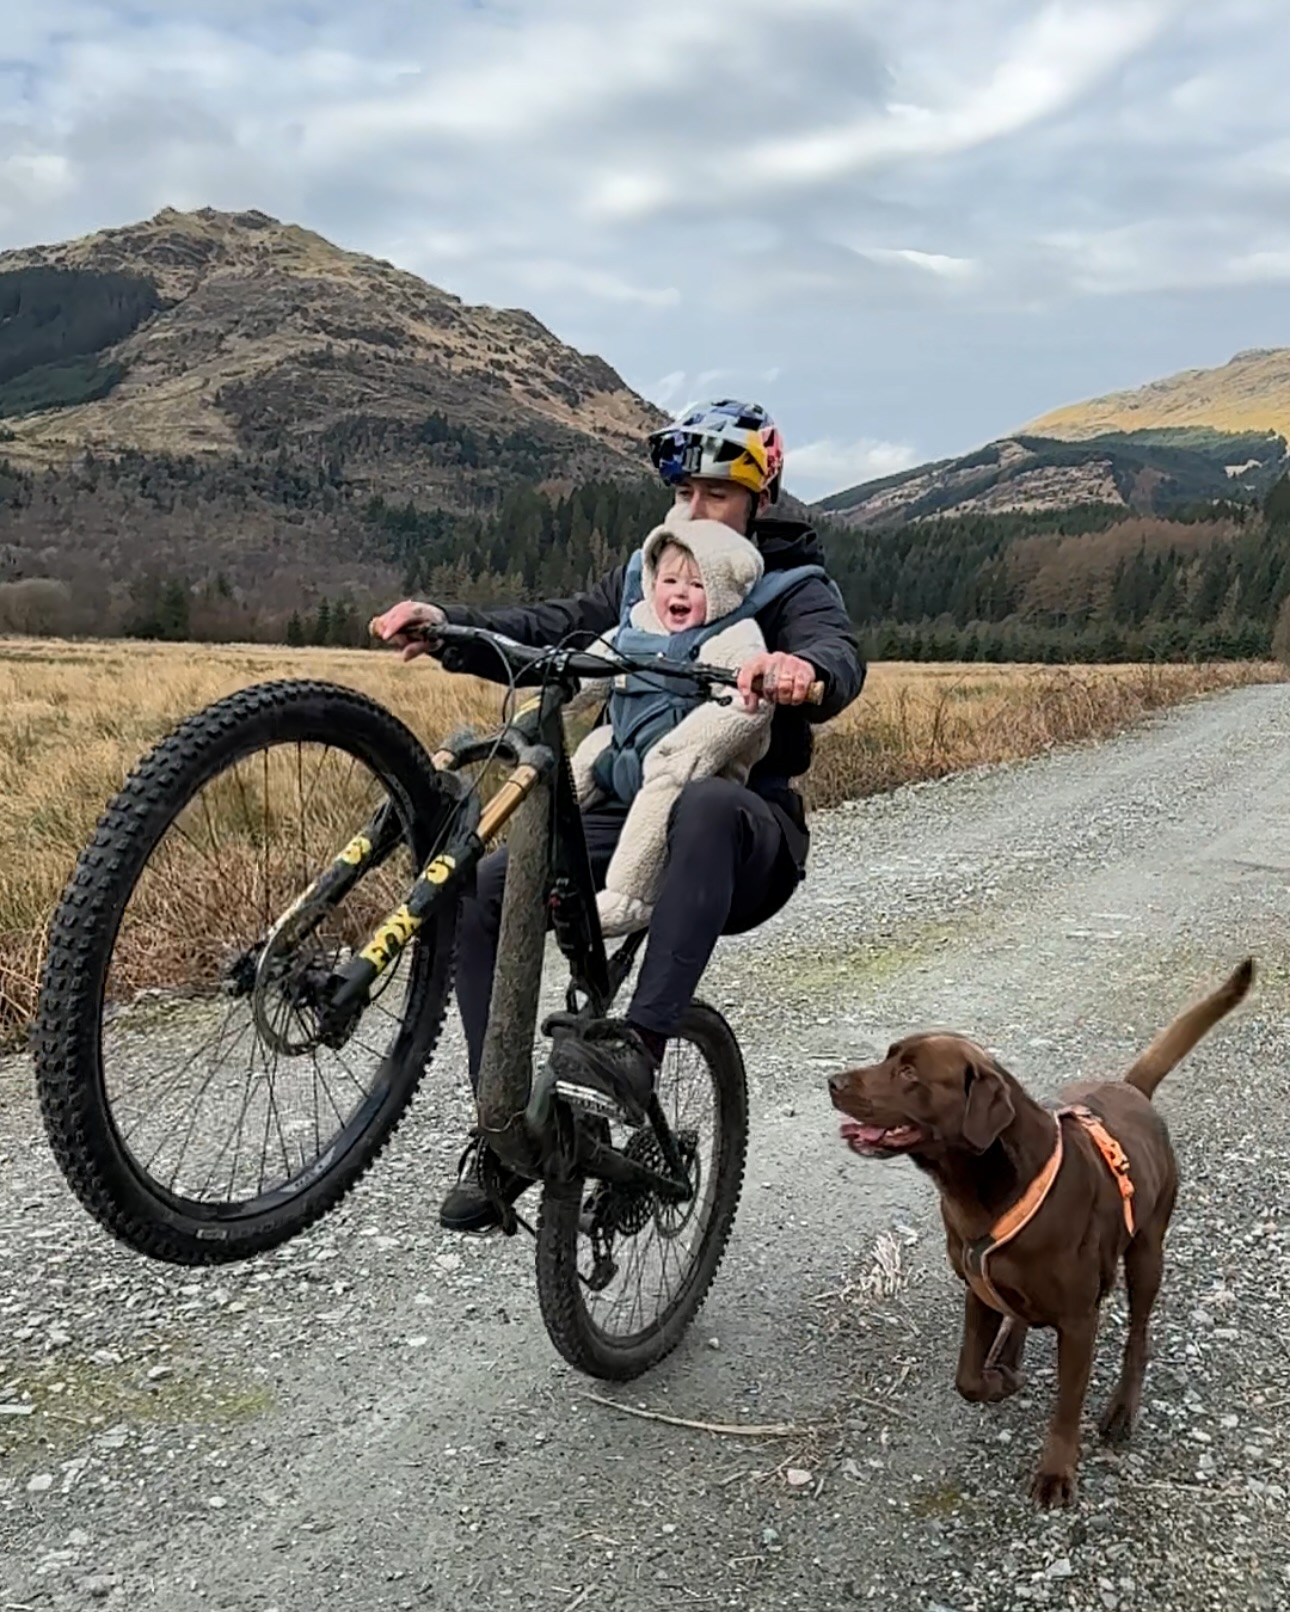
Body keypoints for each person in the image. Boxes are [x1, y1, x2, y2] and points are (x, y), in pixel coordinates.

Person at [370, 398, 865, 1231]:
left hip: (742, 834)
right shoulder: (649, 573)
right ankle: (503, 1122)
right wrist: (452, 629)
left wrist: (799, 671)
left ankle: (638, 1050)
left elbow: (835, 652)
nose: (695, 510)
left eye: (716, 495)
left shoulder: (792, 585)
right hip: (629, 810)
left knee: (706, 802)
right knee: (487, 888)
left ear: (759, 499)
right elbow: (561, 627)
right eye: (684, 493)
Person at [568, 503, 775, 939]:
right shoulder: (635, 626)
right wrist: (556, 694)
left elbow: (747, 703)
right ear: (651, 581)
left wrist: (688, 750)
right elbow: (589, 671)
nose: (680, 594)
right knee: (582, 759)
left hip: (683, 766)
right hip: (623, 750)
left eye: (698, 585)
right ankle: (539, 849)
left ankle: (630, 896)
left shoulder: (730, 636)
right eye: (670, 582)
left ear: (722, 589)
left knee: (668, 776)